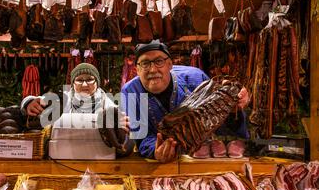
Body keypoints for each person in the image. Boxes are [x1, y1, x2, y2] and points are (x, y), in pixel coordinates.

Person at [121, 40, 250, 163]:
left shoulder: (195, 78)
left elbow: (219, 122)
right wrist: (155, 150)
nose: (153, 69)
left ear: (170, 64)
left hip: (201, 158)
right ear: (137, 69)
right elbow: (141, 137)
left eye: (159, 61)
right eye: (145, 63)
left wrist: (232, 107)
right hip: (159, 163)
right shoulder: (131, 91)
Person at [21, 62, 134, 156]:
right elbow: (39, 100)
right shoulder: (63, 98)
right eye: (79, 80)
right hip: (64, 154)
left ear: (97, 83)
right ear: (73, 84)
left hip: (98, 156)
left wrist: (123, 130)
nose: (84, 84)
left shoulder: (108, 104)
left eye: (89, 79)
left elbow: (122, 127)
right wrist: (28, 102)